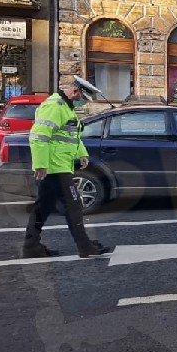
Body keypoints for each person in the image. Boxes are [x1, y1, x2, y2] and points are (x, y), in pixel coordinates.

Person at [22, 76, 113, 258]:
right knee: (74, 205)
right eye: (82, 99)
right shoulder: (55, 107)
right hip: (55, 167)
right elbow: (38, 136)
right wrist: (41, 165)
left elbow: (72, 135)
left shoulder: (66, 108)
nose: (82, 104)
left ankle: (31, 246)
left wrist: (82, 153)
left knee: (43, 207)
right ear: (75, 91)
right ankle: (85, 246)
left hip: (59, 164)